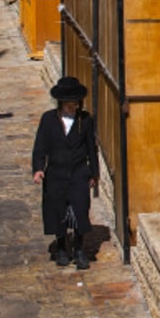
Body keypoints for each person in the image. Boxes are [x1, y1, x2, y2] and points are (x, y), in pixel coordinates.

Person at [32, 76, 99, 269]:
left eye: (75, 104)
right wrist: (38, 169)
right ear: (61, 103)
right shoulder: (48, 120)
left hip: (78, 173)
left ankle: (79, 249)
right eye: (69, 105)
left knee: (80, 209)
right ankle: (61, 247)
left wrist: (94, 174)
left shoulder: (85, 120)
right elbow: (40, 146)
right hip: (56, 174)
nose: (72, 108)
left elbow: (91, 149)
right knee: (58, 210)